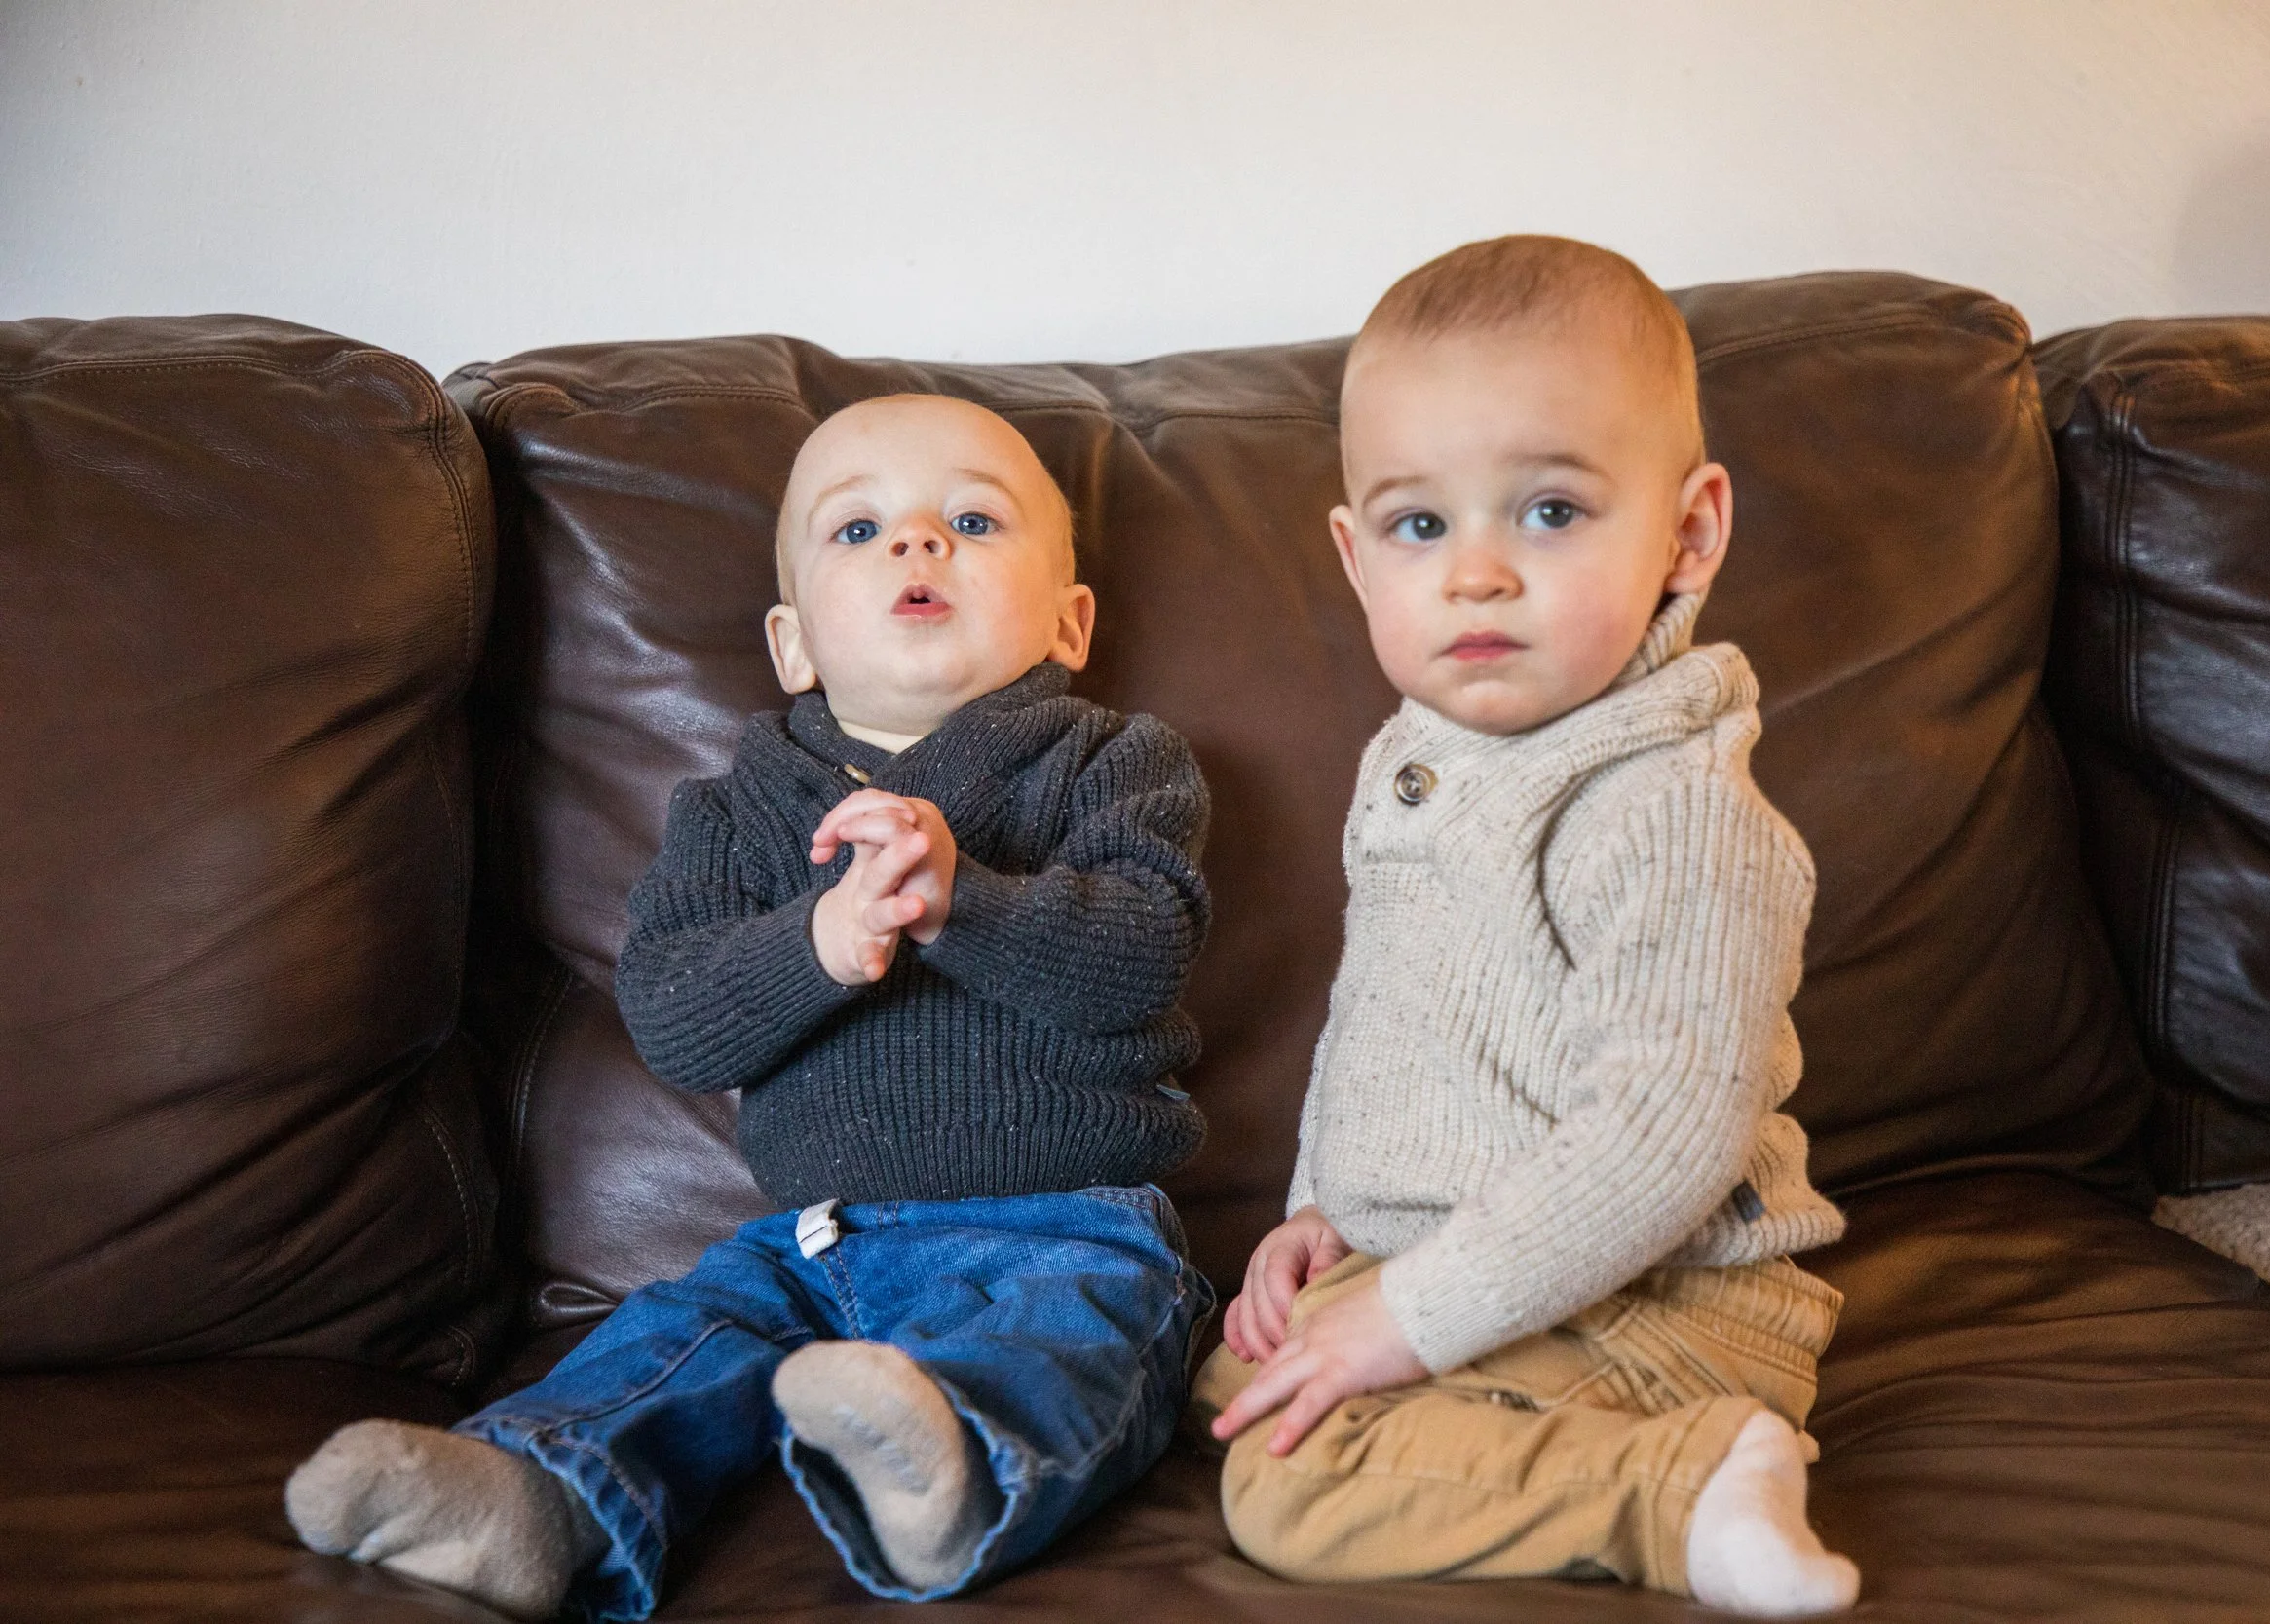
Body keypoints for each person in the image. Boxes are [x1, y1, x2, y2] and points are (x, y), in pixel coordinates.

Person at [285, 395, 1216, 1620]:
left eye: (972, 519)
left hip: (1061, 1227)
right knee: (677, 1339)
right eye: (858, 529)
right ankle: (533, 1494)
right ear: (793, 645)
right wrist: (822, 941)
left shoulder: (1115, 764)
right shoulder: (733, 813)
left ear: (1069, 619)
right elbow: (674, 1018)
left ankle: (952, 1474)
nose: (916, 543)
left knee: (1065, 1339)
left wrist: (962, 901)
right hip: (810, 1246)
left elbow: (1142, 957)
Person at [1198, 235, 1862, 1617]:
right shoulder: (1426, 757)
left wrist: (1409, 1312)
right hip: (1494, 1265)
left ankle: (1684, 1483)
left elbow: (1664, 1133)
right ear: (1355, 551)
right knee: (1211, 1374)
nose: (1477, 573)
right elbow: (1383, 1013)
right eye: (1420, 525)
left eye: (1549, 511)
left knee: (1292, 1473)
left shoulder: (1672, 810)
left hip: (1661, 1301)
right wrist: (1325, 1209)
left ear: (1688, 532)